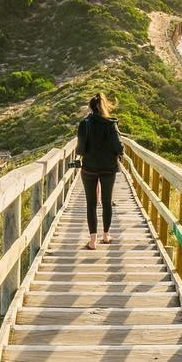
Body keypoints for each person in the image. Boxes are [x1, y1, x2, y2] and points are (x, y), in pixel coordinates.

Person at [76, 92, 124, 249]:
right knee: (106, 202)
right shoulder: (111, 124)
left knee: (91, 203)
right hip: (108, 169)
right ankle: (106, 235)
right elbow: (119, 147)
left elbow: (80, 150)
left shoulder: (84, 124)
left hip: (89, 169)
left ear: (90, 107)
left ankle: (92, 241)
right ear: (104, 106)